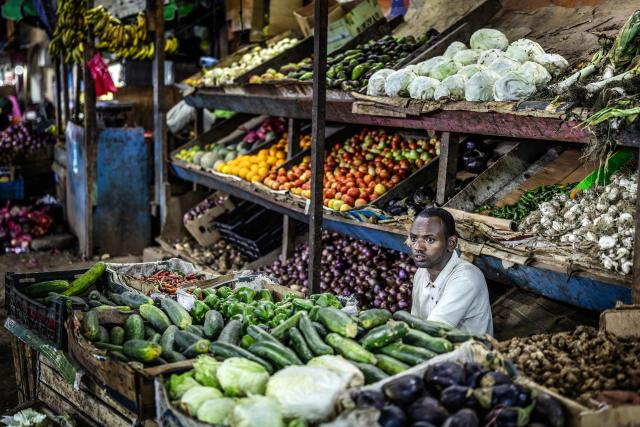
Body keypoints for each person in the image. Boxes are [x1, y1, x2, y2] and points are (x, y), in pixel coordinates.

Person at [407, 207, 493, 336]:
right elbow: (416, 323)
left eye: (430, 240)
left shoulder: (465, 279)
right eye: (414, 238)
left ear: (451, 243)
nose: (418, 247)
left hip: (468, 353)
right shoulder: (421, 273)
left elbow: (433, 332)